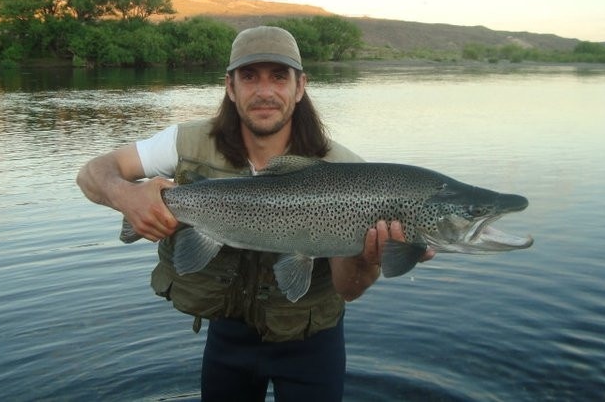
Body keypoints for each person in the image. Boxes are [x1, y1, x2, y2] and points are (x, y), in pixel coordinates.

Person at [76, 25, 434, 401]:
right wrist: (128, 196)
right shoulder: (186, 142)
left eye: (279, 77)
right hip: (228, 337)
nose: (265, 92)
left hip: (313, 345)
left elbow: (349, 289)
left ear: (300, 87)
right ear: (230, 87)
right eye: (250, 77)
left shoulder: (346, 171)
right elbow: (92, 174)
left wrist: (368, 259)